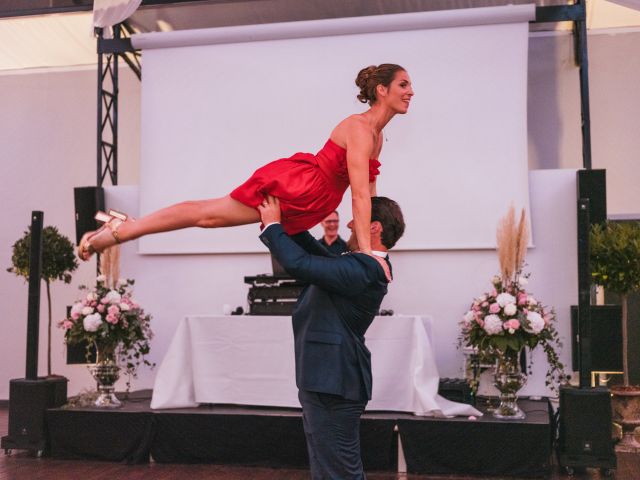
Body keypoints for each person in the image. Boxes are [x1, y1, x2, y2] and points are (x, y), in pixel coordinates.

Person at [78, 64, 413, 260]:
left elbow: (370, 194)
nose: (411, 91)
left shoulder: (378, 136)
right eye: (403, 84)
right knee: (208, 216)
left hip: (315, 199)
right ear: (381, 90)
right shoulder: (359, 128)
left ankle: (121, 230)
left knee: (210, 217)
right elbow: (358, 195)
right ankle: (123, 229)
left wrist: (368, 246)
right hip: (301, 187)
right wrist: (367, 256)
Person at [257, 194, 405, 480]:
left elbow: (301, 264)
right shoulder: (360, 265)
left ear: (374, 228)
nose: (349, 224)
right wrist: (292, 222)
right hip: (327, 379)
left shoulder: (367, 268)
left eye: (356, 219)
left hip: (334, 382)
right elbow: (313, 251)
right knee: (328, 468)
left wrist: (273, 226)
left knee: (338, 471)